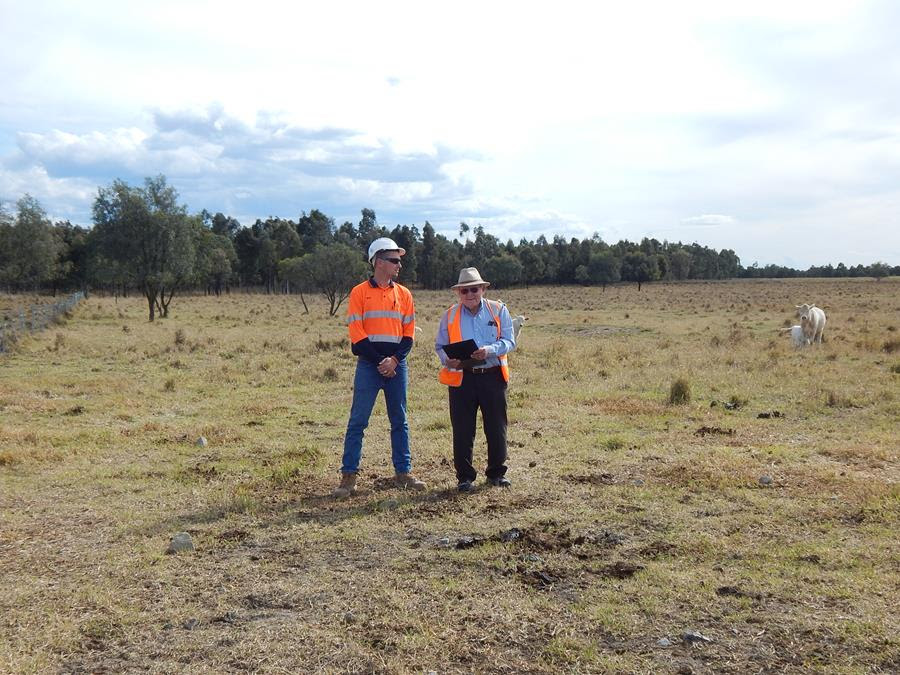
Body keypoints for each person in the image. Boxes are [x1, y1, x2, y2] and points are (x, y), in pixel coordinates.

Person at [333, 237, 425, 498]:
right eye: (395, 260)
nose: (399, 265)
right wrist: (380, 362)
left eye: (399, 260)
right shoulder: (359, 292)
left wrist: (394, 360)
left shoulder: (405, 294)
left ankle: (403, 473)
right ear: (379, 262)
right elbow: (357, 334)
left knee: (400, 420)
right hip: (369, 365)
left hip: (397, 365)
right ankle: (348, 477)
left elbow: (409, 335)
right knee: (358, 421)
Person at [435, 267, 516, 492]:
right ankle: (464, 478)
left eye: (474, 289)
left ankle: (497, 474)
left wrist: (489, 350)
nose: (469, 294)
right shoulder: (449, 315)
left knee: (496, 426)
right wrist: (447, 360)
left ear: (482, 289)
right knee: (462, 429)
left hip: (492, 377)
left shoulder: (498, 310)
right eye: (464, 290)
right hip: (462, 379)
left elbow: (510, 341)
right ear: (458, 293)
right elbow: (440, 346)